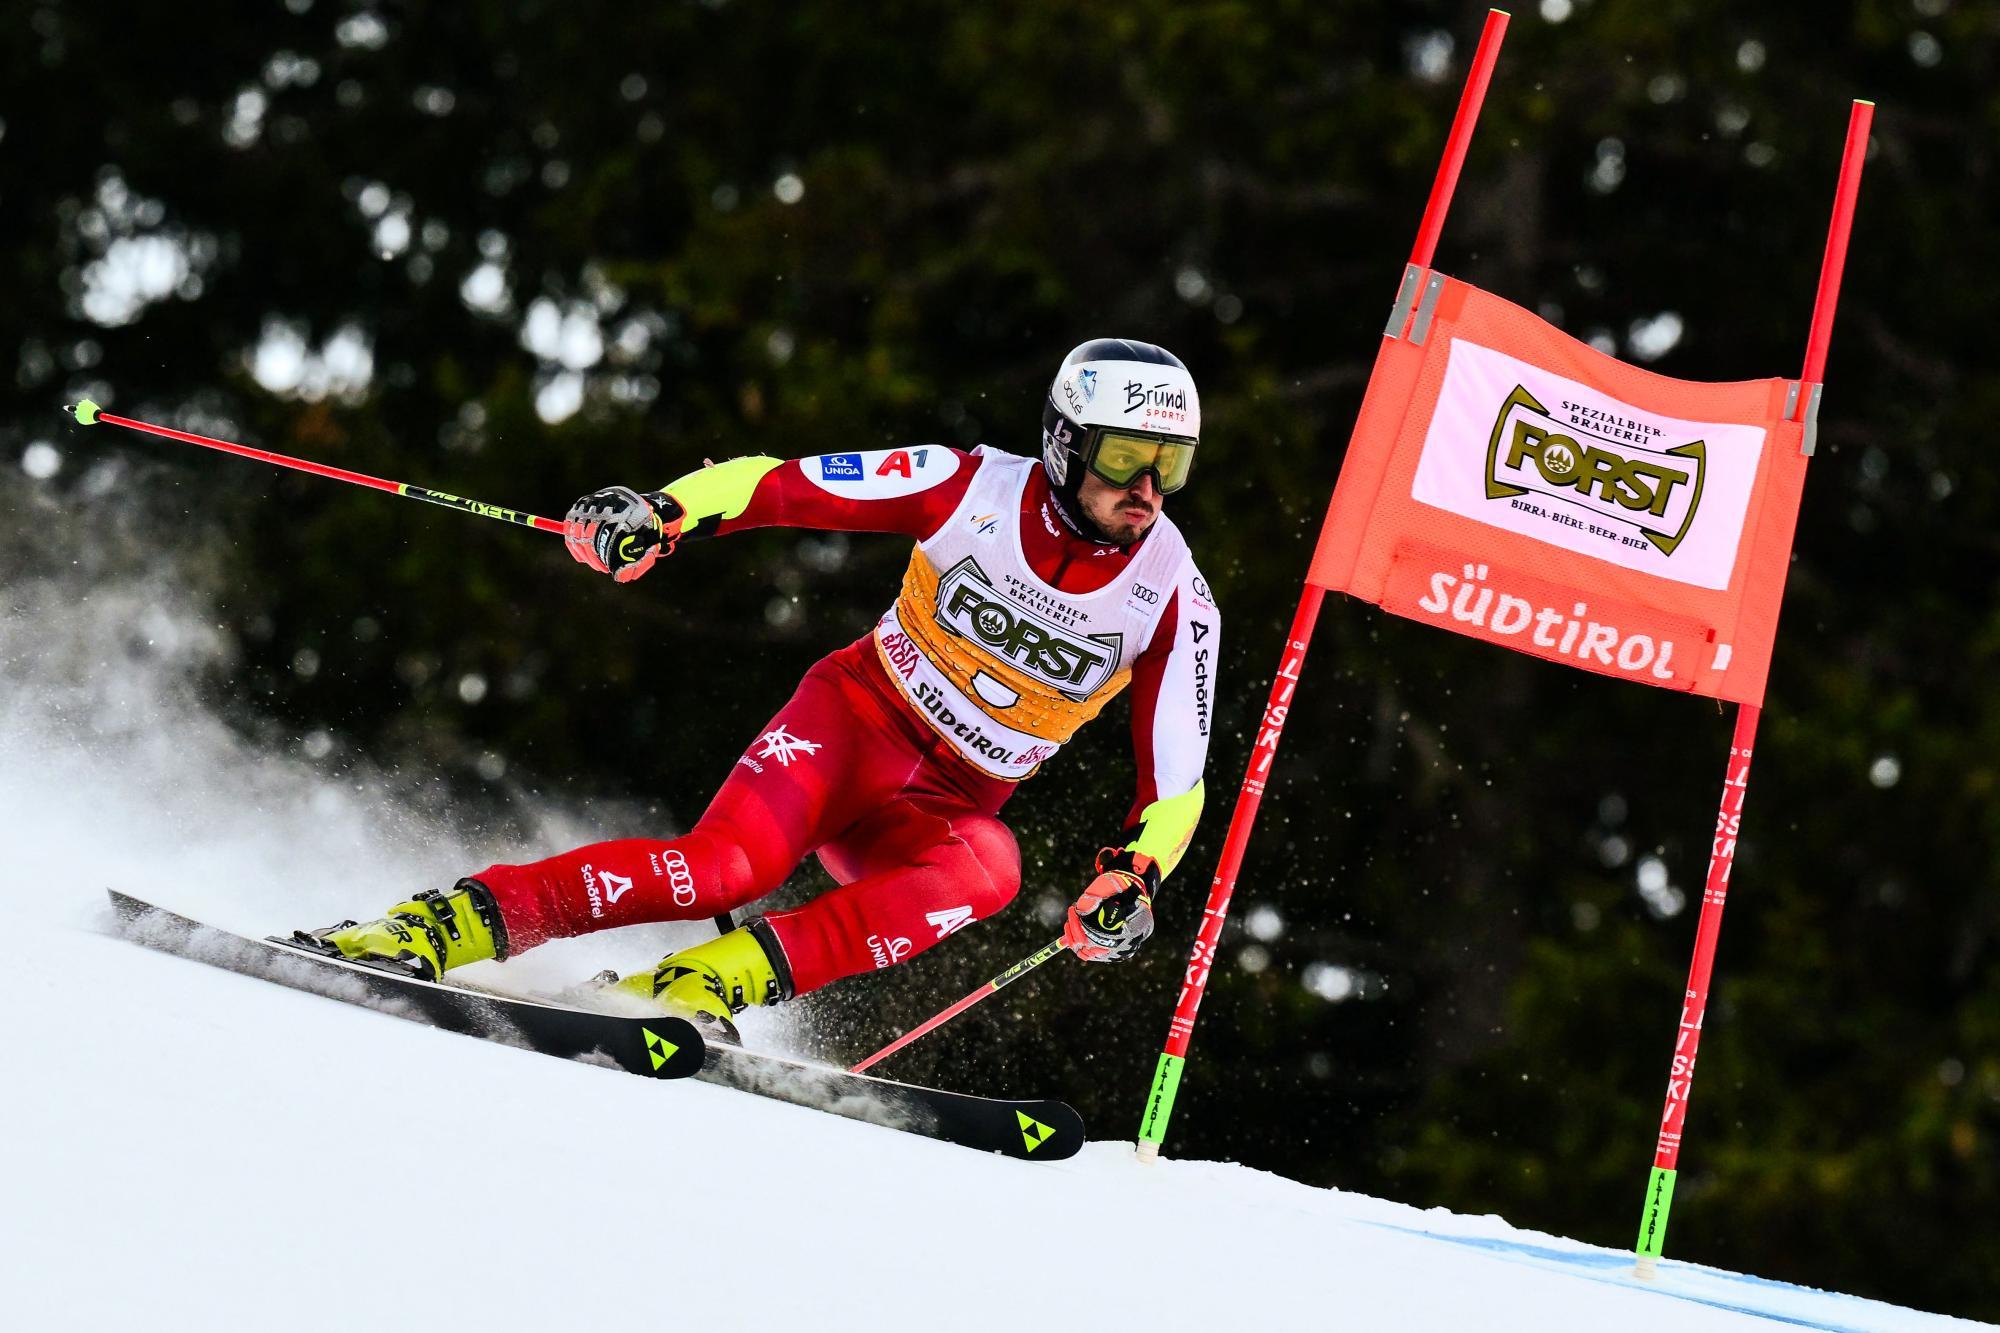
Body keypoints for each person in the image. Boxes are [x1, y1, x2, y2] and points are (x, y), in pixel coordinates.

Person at [306, 338, 1220, 1039]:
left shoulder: (1174, 593)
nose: (1147, 489)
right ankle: (437, 925)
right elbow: (777, 485)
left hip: (943, 803)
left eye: (1170, 463)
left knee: (992, 869)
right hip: (854, 723)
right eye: (1124, 457)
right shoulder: (969, 484)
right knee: (725, 869)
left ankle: (698, 982)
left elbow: (1177, 788)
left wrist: (1132, 879)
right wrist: (663, 513)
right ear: (1065, 442)